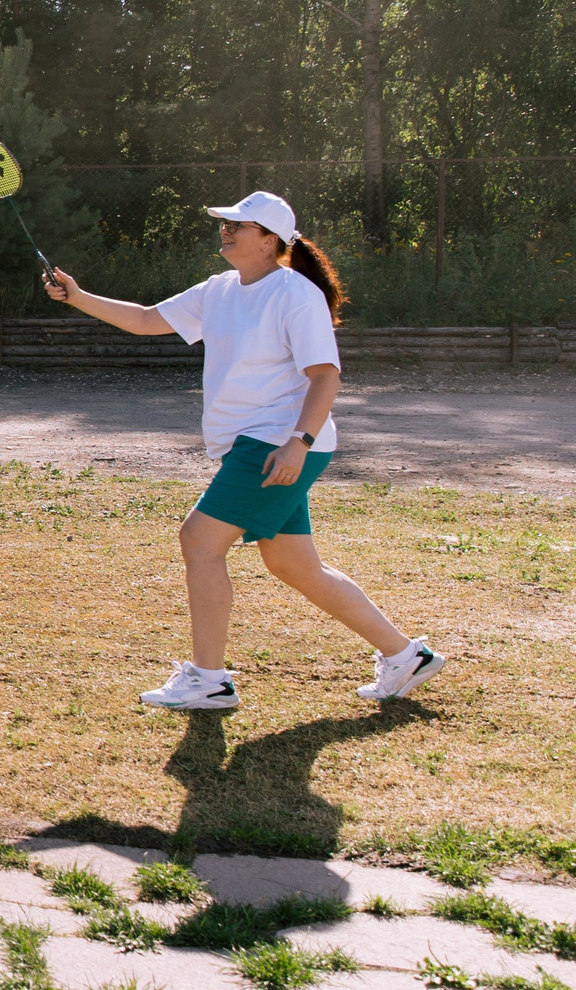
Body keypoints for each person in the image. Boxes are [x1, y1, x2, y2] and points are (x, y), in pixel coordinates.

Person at [45, 190, 442, 711]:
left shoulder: (296, 294)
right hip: (261, 445)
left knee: (199, 541)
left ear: (270, 240)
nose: (226, 230)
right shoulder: (219, 290)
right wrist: (77, 296)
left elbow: (326, 376)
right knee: (295, 566)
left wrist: (297, 444)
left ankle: (208, 679)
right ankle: (405, 655)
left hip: (279, 441)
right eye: (226, 223)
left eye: (240, 224)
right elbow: (145, 319)